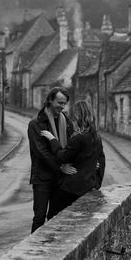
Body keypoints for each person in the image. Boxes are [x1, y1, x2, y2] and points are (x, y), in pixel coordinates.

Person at [40, 100, 105, 217]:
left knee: (53, 216)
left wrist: (52, 139)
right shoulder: (96, 137)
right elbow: (100, 160)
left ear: (78, 116)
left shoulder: (79, 138)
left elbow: (63, 156)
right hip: (88, 186)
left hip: (72, 187)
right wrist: (96, 180)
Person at [27, 87, 75, 233]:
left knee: (56, 217)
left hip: (60, 179)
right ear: (50, 100)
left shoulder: (66, 122)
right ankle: (34, 251)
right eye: (59, 103)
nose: (62, 106)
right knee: (39, 217)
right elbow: (42, 153)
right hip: (42, 178)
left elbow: (72, 146)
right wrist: (60, 167)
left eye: (64, 104)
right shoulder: (35, 124)